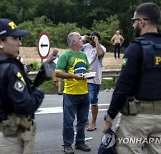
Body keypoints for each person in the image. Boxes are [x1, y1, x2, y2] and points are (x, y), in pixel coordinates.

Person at [102, 2, 161, 154]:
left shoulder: (136, 48)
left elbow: (123, 86)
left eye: (134, 21)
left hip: (137, 119)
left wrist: (110, 117)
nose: (133, 24)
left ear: (142, 21)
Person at [0, 18, 44, 154]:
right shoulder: (10, 69)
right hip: (5, 139)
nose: (19, 43)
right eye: (15, 38)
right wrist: (39, 94)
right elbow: (26, 106)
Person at [55, 32, 91, 154]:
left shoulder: (83, 55)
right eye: (80, 38)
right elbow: (58, 73)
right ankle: (67, 145)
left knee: (83, 120)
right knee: (68, 121)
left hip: (84, 92)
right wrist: (73, 76)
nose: (83, 39)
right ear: (74, 42)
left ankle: (80, 142)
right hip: (71, 93)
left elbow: (88, 69)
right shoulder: (65, 55)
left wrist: (88, 75)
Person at [81, 32, 106, 131]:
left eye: (93, 37)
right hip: (83, 77)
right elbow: (74, 49)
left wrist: (96, 42)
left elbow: (100, 53)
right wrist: (84, 38)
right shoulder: (85, 46)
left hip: (94, 79)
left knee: (93, 101)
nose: (91, 39)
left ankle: (93, 122)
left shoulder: (101, 47)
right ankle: (84, 119)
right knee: (82, 100)